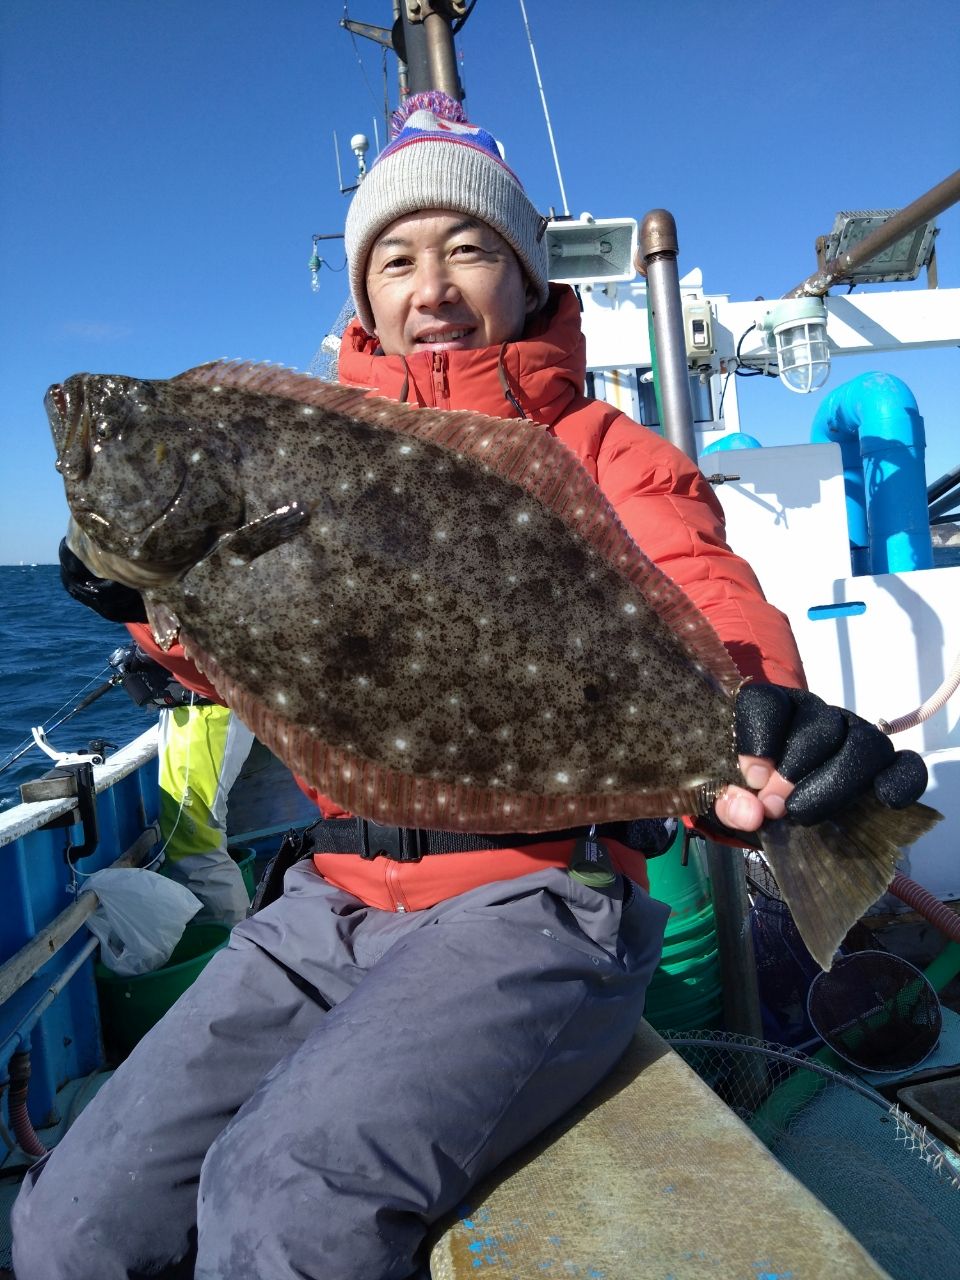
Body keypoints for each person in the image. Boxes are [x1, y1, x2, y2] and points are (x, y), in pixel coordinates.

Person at [13, 91, 927, 1280]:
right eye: (396, 257)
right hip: (325, 898)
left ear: (527, 272)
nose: (431, 285)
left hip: (536, 901)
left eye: (469, 248)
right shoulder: (294, 446)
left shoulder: (611, 452)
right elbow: (266, 663)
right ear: (365, 297)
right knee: (64, 1223)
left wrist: (761, 723)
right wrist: (144, 604)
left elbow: (699, 595)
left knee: (282, 1201)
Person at [61, 546, 254, 925]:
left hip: (207, 714)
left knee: (194, 837)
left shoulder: (162, 573)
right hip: (197, 711)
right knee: (193, 832)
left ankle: (226, 943)